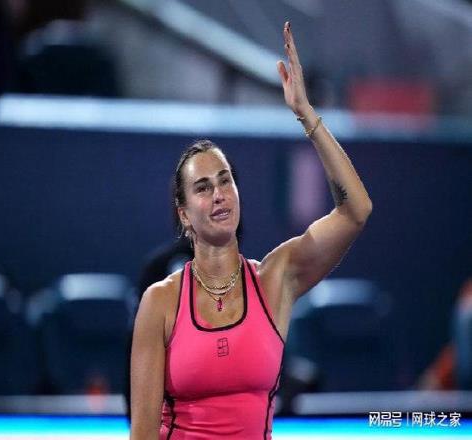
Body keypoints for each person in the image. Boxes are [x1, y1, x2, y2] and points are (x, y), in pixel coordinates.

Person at [130, 21, 372, 439]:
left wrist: (306, 114)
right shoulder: (160, 302)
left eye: (225, 180)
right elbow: (143, 435)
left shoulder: (277, 278)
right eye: (203, 188)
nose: (219, 194)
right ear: (184, 215)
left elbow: (356, 210)